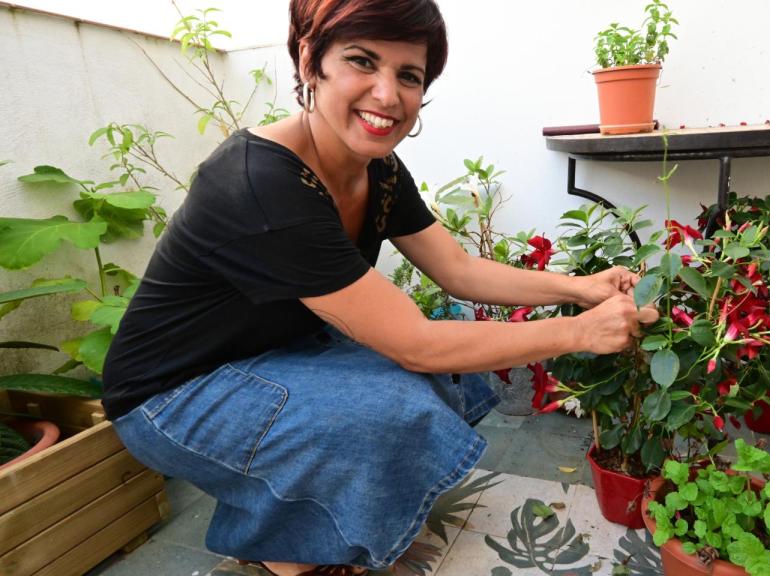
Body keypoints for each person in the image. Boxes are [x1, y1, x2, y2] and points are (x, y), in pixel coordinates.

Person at [102, 1, 657, 574]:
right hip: (173, 395)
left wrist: (579, 288)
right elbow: (415, 342)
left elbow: (459, 270)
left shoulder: (378, 170)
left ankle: (316, 506)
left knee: (449, 365)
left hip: (275, 356)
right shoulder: (261, 182)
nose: (387, 95)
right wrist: (579, 332)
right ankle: (279, 549)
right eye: (361, 61)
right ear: (309, 60)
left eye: (408, 75)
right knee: (392, 405)